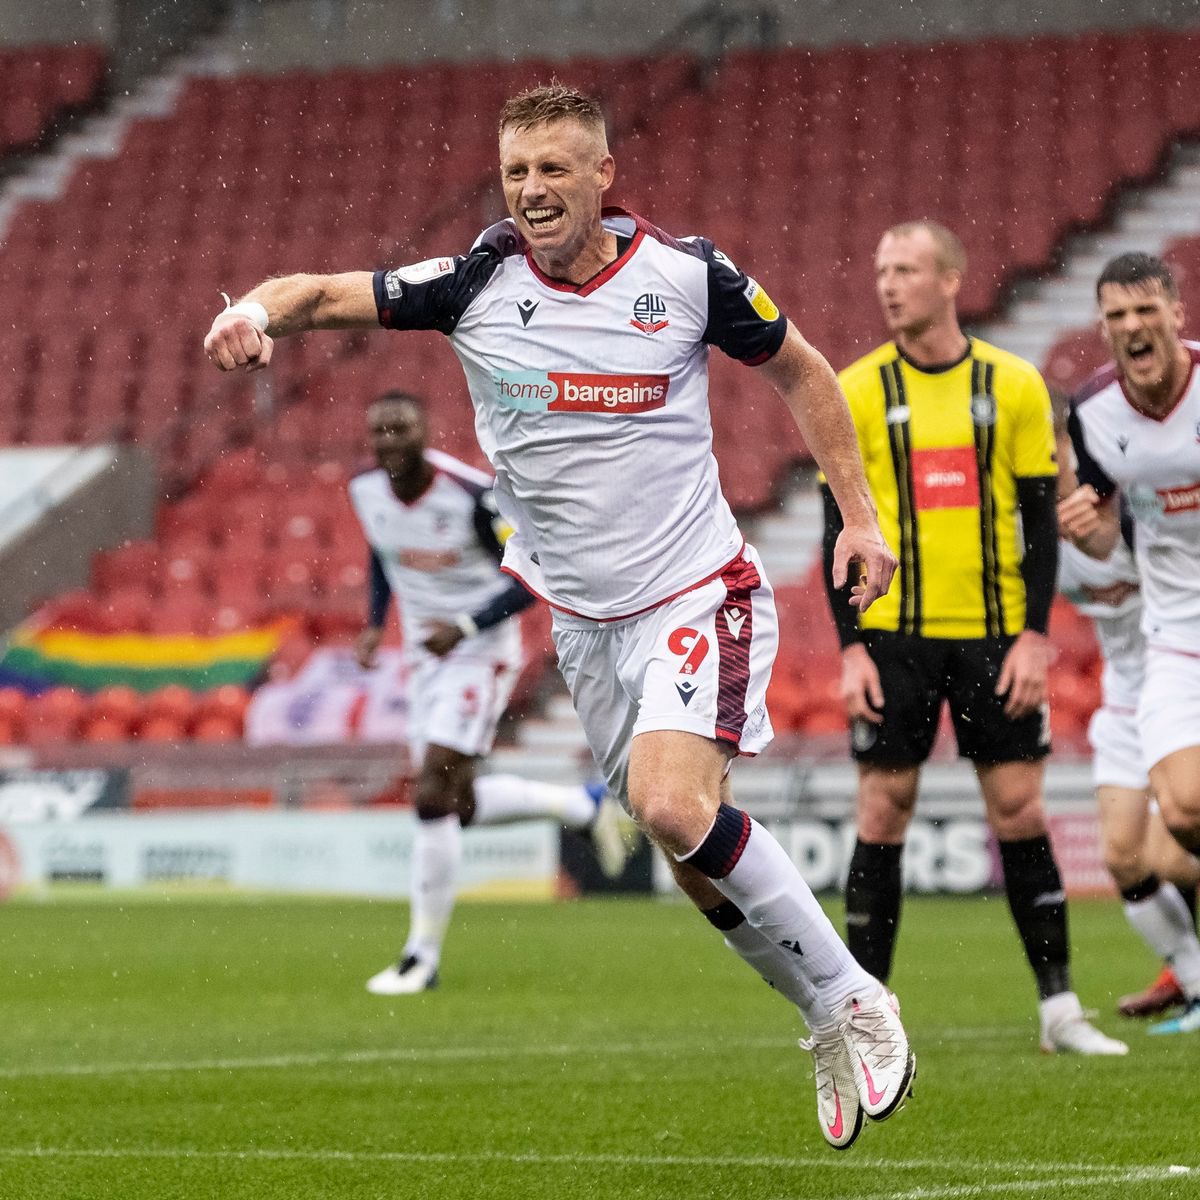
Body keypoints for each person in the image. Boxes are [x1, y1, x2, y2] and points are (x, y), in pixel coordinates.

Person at [204, 83, 914, 1150]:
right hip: (584, 626)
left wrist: (859, 516)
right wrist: (253, 314)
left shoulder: (687, 277)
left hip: (695, 589)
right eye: (516, 172)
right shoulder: (473, 284)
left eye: (552, 169)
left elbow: (804, 372)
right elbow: (317, 292)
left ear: (602, 175)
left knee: (673, 807)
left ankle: (857, 993)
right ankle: (818, 1013)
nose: (532, 190)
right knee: (687, 855)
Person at [823, 220, 1126, 1055]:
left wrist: (1034, 638)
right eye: (882, 269)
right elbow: (834, 530)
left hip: (994, 637)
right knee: (882, 811)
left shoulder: (1014, 384)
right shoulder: (854, 390)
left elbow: (1040, 525)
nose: (889, 284)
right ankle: (865, 1020)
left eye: (906, 269)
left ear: (951, 280)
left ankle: (1060, 1010)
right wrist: (850, 646)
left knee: (1019, 809)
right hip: (892, 636)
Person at [348, 388, 634, 995]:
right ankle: (582, 807)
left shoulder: (470, 496)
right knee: (455, 803)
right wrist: (375, 623)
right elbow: (382, 552)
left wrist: (467, 625)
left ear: (425, 433)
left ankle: (420, 958)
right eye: (379, 430)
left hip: (479, 653)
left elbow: (532, 576)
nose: (389, 441)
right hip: (424, 657)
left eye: (401, 428)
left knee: (431, 792)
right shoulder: (365, 490)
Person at [1058, 251, 1200, 1035]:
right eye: (1116, 315)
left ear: (1177, 313)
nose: (1133, 326)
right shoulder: (1095, 413)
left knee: (1175, 854)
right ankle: (1192, 977)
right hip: (1173, 638)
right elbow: (1109, 534)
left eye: (1146, 310)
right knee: (1180, 814)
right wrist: (1092, 529)